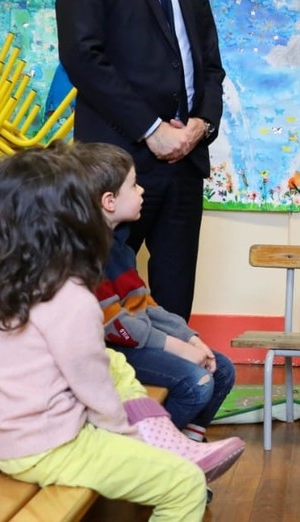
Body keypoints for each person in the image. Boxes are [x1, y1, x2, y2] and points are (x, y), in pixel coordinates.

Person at [0, 148, 245, 522]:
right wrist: (126, 437)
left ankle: (167, 438)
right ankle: (165, 444)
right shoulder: (68, 296)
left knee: (115, 361)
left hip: (2, 436)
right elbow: (93, 390)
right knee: (185, 485)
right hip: (48, 444)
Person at [57, 0, 226, 321]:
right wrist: (153, 128)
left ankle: (176, 394)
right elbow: (82, 59)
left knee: (175, 302)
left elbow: (211, 68)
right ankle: (114, 396)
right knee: (106, 301)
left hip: (185, 165)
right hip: (117, 164)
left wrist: (199, 126)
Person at [73, 141, 236, 443]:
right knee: (196, 382)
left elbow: (143, 303)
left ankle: (189, 445)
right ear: (109, 201)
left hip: (134, 344)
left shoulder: (118, 245)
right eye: (134, 186)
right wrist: (177, 348)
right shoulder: (84, 254)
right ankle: (155, 451)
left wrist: (189, 337)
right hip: (114, 352)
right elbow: (116, 326)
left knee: (222, 369)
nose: (142, 191)